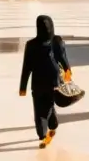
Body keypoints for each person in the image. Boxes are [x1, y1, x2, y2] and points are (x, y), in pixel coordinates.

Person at [19, 15, 71, 149]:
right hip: (53, 83)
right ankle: (48, 128)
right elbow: (63, 59)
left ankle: (43, 134)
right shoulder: (56, 41)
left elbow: (27, 67)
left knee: (39, 110)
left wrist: (23, 87)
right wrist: (68, 73)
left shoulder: (31, 45)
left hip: (39, 84)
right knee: (47, 105)